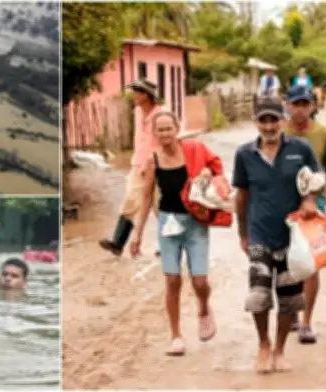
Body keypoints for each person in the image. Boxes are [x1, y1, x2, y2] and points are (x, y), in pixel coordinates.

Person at [233, 97, 324, 374]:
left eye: (274, 119)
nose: (269, 125)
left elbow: (315, 180)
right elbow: (241, 196)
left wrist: (309, 199)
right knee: (258, 295)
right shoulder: (244, 154)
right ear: (256, 122)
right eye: (264, 120)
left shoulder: (301, 149)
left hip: (292, 237)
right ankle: (263, 344)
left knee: (289, 298)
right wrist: (243, 234)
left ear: (283, 119)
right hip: (259, 232)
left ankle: (280, 350)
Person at [129, 111, 219, 356]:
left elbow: (216, 167)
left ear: (177, 129)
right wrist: (137, 233)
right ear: (154, 133)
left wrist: (207, 174)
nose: (165, 134)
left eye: (169, 128)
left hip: (196, 222)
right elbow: (146, 197)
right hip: (168, 224)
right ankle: (176, 335)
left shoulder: (194, 151)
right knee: (172, 280)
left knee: (199, 281)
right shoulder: (152, 161)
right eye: (161, 130)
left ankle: (203, 307)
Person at [282, 85, 326, 345]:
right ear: (287, 105)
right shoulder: (277, 131)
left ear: (312, 106)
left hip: (312, 210)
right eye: (295, 103)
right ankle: (293, 313)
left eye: (304, 104)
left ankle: (306, 321)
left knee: (311, 265)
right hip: (282, 208)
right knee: (286, 265)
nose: (300, 109)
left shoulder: (324, 135)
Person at [99, 79, 162, 257]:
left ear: (146, 95)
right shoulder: (137, 113)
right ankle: (117, 243)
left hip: (157, 167)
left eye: (137, 92)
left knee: (160, 206)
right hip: (137, 165)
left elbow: (169, 140)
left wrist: (156, 162)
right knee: (130, 201)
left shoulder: (160, 115)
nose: (133, 96)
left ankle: (167, 246)